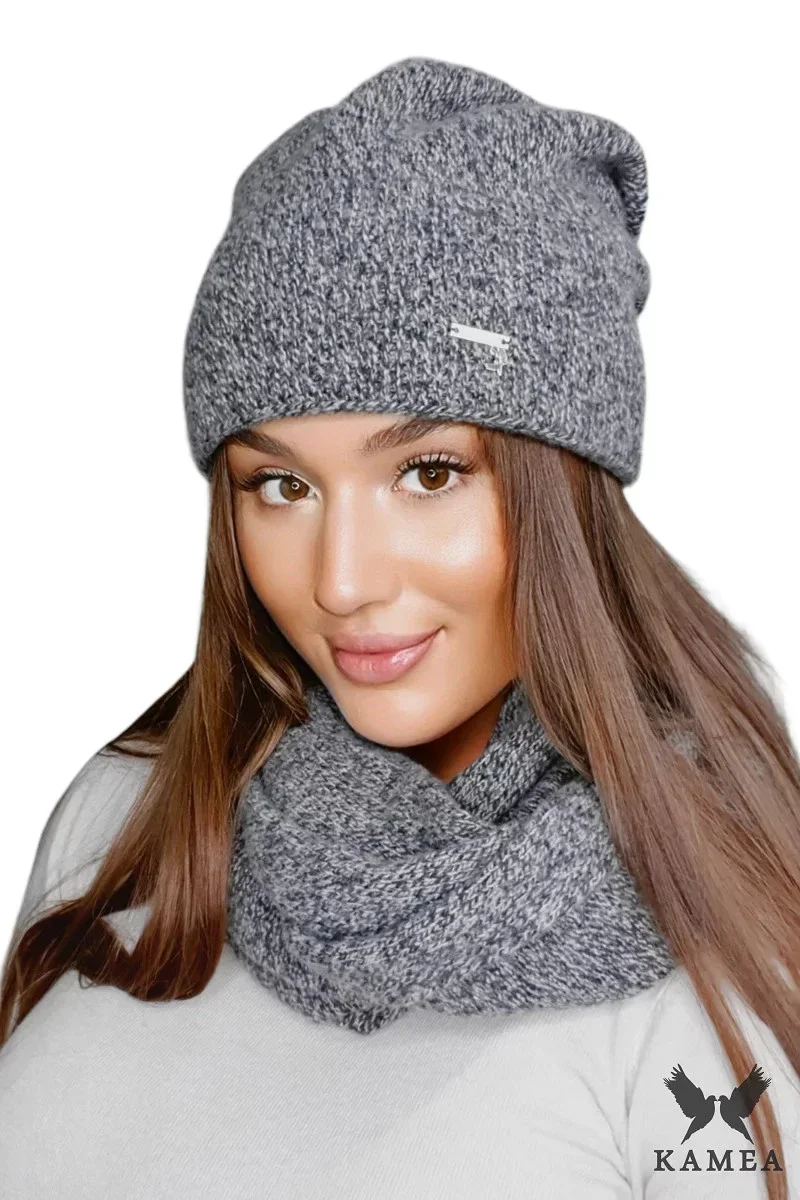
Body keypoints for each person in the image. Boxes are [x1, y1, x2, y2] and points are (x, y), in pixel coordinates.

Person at [1, 55, 799, 1200]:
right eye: (279, 486)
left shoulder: (717, 934)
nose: (340, 581)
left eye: (427, 474)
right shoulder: (127, 814)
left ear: (563, 492)